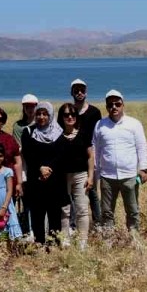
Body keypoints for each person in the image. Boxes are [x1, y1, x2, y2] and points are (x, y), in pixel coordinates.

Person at [93, 90, 147, 241]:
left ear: (123, 105)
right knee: (107, 211)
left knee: (132, 210)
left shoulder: (134, 124)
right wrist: (95, 173)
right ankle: (108, 240)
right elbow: (95, 150)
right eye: (110, 104)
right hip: (107, 176)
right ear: (106, 107)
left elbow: (142, 147)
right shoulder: (100, 125)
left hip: (129, 176)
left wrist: (143, 169)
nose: (114, 107)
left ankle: (134, 238)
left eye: (117, 104)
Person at [21, 102, 68, 246]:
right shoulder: (29, 132)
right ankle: (39, 243)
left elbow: (61, 156)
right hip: (36, 180)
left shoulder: (59, 133)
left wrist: (49, 169)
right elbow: (28, 154)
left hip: (55, 181)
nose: (41, 117)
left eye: (45, 114)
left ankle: (53, 244)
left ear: (50, 115)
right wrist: (40, 168)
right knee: (37, 214)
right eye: (39, 114)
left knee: (54, 214)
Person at [56, 102, 94, 249]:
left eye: (73, 114)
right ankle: (65, 240)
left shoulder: (83, 134)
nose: (70, 117)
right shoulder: (57, 136)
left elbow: (90, 156)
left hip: (81, 175)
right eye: (66, 114)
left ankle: (82, 242)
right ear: (61, 117)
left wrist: (90, 177)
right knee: (64, 210)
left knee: (82, 209)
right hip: (62, 176)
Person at [70, 79, 103, 228]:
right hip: (73, 158)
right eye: (76, 90)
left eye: (82, 90)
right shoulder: (68, 112)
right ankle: (73, 224)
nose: (79, 93)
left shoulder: (95, 112)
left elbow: (99, 135)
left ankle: (98, 222)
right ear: (71, 92)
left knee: (93, 191)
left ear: (86, 92)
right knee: (73, 193)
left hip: (91, 156)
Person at [13, 94, 39, 236]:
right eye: (27, 106)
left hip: (39, 167)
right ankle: (29, 229)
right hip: (24, 168)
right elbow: (18, 148)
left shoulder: (42, 123)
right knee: (26, 200)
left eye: (32, 106)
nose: (30, 109)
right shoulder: (18, 126)